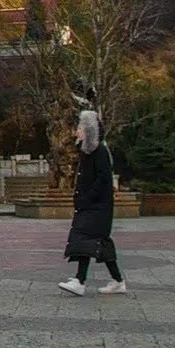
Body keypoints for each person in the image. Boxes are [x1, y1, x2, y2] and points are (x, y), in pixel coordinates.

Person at [58, 110, 127, 296]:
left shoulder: (100, 152)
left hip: (97, 207)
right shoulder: (87, 152)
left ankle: (80, 281)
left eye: (80, 128)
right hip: (91, 206)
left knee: (83, 238)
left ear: (89, 131)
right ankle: (117, 280)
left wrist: (87, 198)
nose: (77, 132)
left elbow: (104, 179)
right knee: (100, 242)